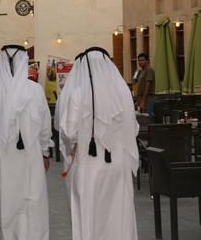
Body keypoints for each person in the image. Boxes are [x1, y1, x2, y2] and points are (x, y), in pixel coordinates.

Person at [57, 47, 139, 240]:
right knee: (118, 214)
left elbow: (68, 133)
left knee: (90, 215)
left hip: (89, 166)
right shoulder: (122, 92)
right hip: (118, 165)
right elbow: (133, 128)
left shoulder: (78, 94)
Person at [0, 45, 52, 240]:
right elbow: (45, 125)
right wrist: (45, 151)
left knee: (5, 202)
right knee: (29, 201)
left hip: (1, 156)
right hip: (28, 157)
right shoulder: (34, 90)